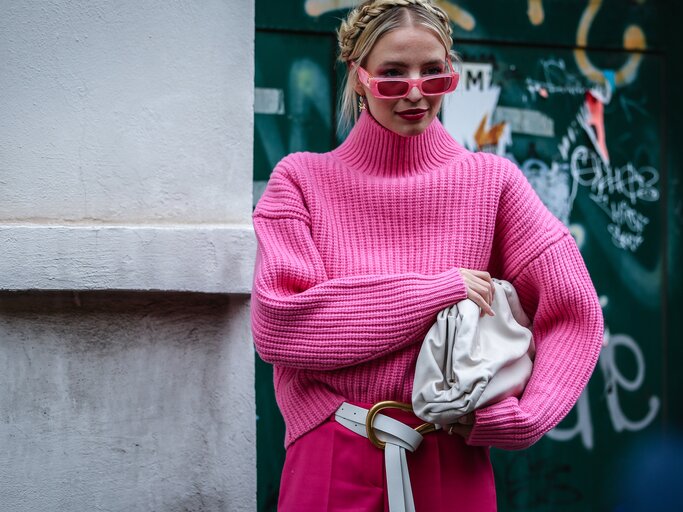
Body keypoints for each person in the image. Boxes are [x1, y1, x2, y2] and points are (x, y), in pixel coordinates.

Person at [251, 0, 604, 510]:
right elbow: (284, 326)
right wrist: (440, 291)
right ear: (359, 77)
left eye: (434, 75)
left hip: (450, 457)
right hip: (331, 448)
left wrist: (522, 419)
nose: (416, 93)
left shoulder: (492, 183)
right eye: (393, 75)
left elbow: (574, 313)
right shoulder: (300, 182)